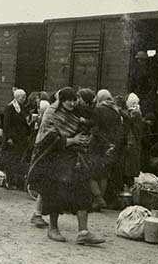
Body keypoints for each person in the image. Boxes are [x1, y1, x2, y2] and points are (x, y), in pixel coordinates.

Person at [27, 87, 105, 245]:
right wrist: (72, 141)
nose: (71, 103)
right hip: (57, 159)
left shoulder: (76, 112)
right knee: (56, 194)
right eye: (67, 100)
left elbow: (92, 119)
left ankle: (83, 232)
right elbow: (48, 139)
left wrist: (83, 134)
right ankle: (53, 229)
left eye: (73, 99)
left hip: (74, 159)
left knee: (82, 192)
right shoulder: (51, 113)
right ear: (61, 100)